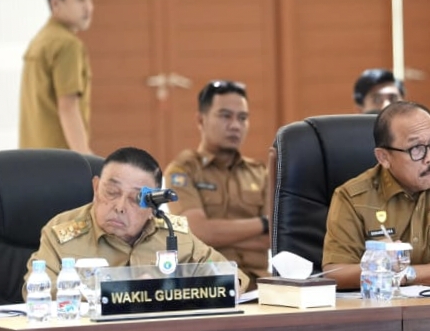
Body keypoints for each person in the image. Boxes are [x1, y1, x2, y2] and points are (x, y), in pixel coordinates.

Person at [23, 147, 247, 297]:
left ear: (152, 206)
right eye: (111, 192)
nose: (120, 206)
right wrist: (122, 292)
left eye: (135, 199)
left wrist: (171, 290)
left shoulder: (173, 235)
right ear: (96, 187)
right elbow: (37, 291)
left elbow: (232, 278)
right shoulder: (62, 233)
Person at [322, 101, 430, 289]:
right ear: (384, 157)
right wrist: (377, 264)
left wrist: (406, 273)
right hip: (379, 304)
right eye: (416, 148)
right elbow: (335, 273)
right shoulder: (352, 197)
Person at [163, 81, 269, 288]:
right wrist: (263, 223)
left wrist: (215, 235)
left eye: (242, 118)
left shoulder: (260, 173)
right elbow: (197, 231)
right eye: (225, 116)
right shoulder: (183, 171)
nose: (235, 125)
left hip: (260, 287)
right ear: (200, 120)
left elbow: (273, 238)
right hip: (208, 286)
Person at [19, 0, 94, 153]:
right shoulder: (67, 44)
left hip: (32, 156)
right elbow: (68, 107)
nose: (89, 7)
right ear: (55, 3)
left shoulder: (41, 39)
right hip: (60, 158)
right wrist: (85, 157)